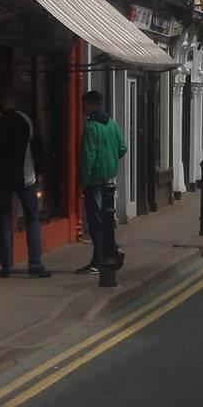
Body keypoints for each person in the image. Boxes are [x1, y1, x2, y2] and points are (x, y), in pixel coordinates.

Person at [0, 89, 51, 278]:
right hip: (25, 176)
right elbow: (37, 146)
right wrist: (39, 171)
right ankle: (35, 264)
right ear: (15, 100)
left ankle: (6, 265)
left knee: (5, 220)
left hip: (2, 177)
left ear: (2, 101)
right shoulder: (25, 120)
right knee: (32, 218)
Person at [78, 90, 128, 274]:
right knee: (104, 219)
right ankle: (111, 252)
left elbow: (88, 156)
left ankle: (100, 261)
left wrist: (83, 181)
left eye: (84, 104)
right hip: (108, 179)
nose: (82, 107)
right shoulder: (112, 124)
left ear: (92, 104)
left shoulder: (92, 126)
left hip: (94, 181)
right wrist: (111, 161)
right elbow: (122, 147)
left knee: (96, 223)